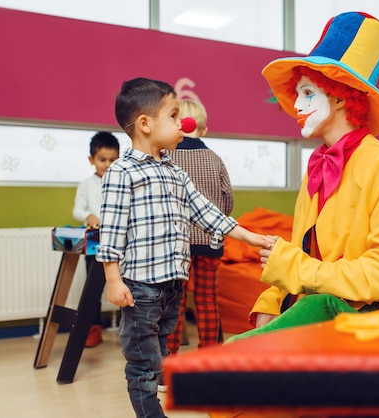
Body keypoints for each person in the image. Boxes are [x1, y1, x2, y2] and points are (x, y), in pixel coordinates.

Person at [231, 11, 379, 344]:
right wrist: (273, 300)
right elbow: (300, 253)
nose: (298, 106)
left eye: (307, 93)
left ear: (339, 95)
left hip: (373, 321)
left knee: (310, 311)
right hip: (317, 311)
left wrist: (296, 271)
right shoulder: (317, 169)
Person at [96, 77, 271, 418]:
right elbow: (112, 230)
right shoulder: (122, 172)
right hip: (141, 288)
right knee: (143, 364)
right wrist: (113, 280)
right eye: (174, 116)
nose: (183, 124)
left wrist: (248, 236)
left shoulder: (174, 171)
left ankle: (171, 382)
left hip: (173, 286)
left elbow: (206, 211)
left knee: (161, 349)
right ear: (145, 124)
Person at [166, 99, 233, 354]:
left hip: (176, 243)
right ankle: (210, 355)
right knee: (207, 301)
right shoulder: (214, 159)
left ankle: (169, 357)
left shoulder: (166, 157)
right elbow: (228, 200)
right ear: (202, 130)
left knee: (175, 302)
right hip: (210, 240)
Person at [72, 131, 120, 347]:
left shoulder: (121, 182)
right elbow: (77, 210)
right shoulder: (86, 185)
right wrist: (88, 216)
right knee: (92, 289)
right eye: (102, 160)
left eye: (113, 160)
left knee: (124, 284)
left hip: (119, 243)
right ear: (92, 160)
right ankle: (93, 329)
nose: (108, 164)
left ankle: (126, 328)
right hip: (94, 243)